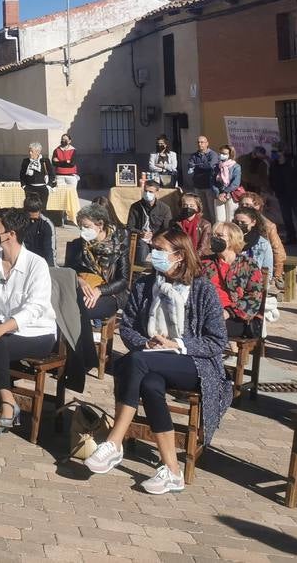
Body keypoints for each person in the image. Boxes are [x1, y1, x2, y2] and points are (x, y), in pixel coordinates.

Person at [83, 226, 232, 495]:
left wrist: (177, 344)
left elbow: (217, 341)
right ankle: (172, 471)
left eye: (160, 250)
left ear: (179, 255)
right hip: (152, 356)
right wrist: (145, 343)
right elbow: (127, 326)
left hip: (194, 362)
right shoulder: (145, 284)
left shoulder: (202, 288)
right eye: (153, 249)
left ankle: (114, 442)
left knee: (133, 362)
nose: (153, 255)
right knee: (150, 384)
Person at [0, 209, 57, 438]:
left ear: (10, 234)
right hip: (2, 330)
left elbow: (35, 309)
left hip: (37, 333)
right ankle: (7, 402)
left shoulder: (36, 264)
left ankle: (2, 407)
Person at [64, 204, 130, 321]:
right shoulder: (77, 244)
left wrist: (99, 290)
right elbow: (68, 270)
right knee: (62, 305)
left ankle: (82, 333)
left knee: (81, 310)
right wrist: (79, 280)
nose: (83, 230)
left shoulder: (119, 247)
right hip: (82, 287)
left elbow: (123, 280)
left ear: (100, 224)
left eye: (87, 226)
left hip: (110, 292)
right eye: (81, 227)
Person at [201, 222, 266, 339]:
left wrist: (228, 312)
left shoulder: (248, 265)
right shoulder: (205, 263)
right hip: (206, 312)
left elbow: (254, 297)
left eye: (220, 235)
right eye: (213, 235)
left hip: (235, 317)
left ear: (232, 240)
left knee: (209, 327)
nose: (214, 239)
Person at [270, 144, 297, 248]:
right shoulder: (274, 165)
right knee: (287, 218)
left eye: (275, 152)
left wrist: (296, 188)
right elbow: (271, 179)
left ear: (282, 152)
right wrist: (275, 189)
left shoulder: (293, 162)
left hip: (296, 195)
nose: (273, 154)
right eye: (273, 152)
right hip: (283, 196)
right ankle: (292, 238)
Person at [239, 192, 286, 287]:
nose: (244, 207)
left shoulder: (268, 226)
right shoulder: (236, 223)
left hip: (260, 263)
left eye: (248, 205)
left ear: (257, 207)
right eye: (242, 204)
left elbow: (278, 250)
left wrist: (277, 274)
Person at [127, 177, 171, 267]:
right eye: (145, 191)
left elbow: (167, 229)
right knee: (142, 250)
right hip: (141, 238)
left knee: (161, 253)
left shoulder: (164, 208)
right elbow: (129, 227)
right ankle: (142, 269)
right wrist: (141, 233)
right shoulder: (135, 207)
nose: (147, 194)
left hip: (157, 238)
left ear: (157, 193)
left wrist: (154, 235)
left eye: (151, 192)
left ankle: (157, 270)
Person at [231, 206, 273, 277]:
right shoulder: (228, 240)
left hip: (254, 281)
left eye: (243, 222)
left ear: (253, 222)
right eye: (236, 222)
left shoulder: (263, 244)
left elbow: (267, 272)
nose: (239, 225)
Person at [185, 136, 219, 215]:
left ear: (207, 143)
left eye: (202, 142)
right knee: (201, 209)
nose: (200, 144)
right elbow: (190, 165)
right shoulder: (194, 155)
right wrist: (200, 165)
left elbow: (210, 166)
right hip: (197, 186)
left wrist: (196, 165)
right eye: (198, 142)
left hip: (209, 186)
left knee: (212, 209)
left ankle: (212, 223)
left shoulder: (212, 154)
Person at [21, 195, 56, 267]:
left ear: (40, 212)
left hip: (41, 261)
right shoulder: (20, 223)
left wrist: (50, 268)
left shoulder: (47, 225)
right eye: (30, 219)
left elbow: (49, 251)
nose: (33, 222)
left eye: (36, 219)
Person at [19, 142, 55, 211]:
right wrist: (24, 186)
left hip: (43, 188)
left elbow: (51, 175)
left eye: (32, 151)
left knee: (42, 209)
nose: (30, 153)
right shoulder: (26, 161)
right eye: (29, 151)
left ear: (38, 152)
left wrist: (48, 186)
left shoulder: (45, 161)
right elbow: (22, 175)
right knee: (29, 208)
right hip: (29, 188)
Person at [173, 193, 212, 257]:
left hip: (199, 257)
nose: (188, 208)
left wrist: (192, 258)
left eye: (191, 206)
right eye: (185, 205)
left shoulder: (205, 225)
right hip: (179, 256)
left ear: (197, 208)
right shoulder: (175, 223)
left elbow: (203, 248)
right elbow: (173, 243)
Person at [212, 145, 241, 224]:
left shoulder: (236, 167)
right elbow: (212, 182)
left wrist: (225, 192)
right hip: (219, 195)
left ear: (230, 155)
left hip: (230, 195)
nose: (221, 155)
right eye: (220, 153)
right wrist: (218, 194)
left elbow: (236, 183)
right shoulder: (216, 166)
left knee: (231, 219)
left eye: (224, 154)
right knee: (219, 220)